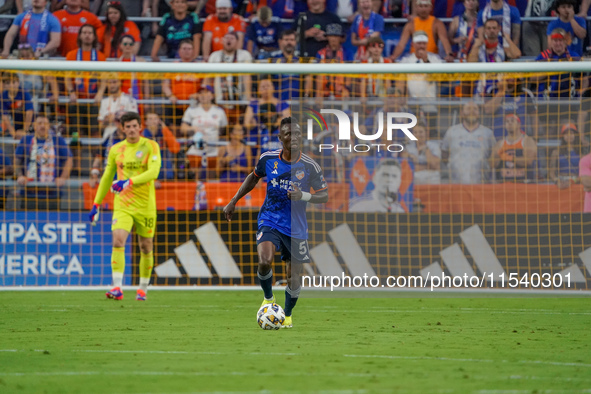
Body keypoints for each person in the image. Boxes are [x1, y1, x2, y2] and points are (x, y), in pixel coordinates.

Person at [223, 117, 329, 328]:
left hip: (296, 227)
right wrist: (234, 201)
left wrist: (303, 196)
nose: (294, 137)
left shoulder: (310, 166)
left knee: (294, 277)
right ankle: (269, 299)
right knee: (264, 260)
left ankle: (287, 315)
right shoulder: (268, 159)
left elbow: (324, 195)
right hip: (270, 218)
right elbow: (253, 177)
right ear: (281, 138)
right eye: (289, 133)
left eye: (298, 133)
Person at [89, 111, 162, 301]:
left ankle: (143, 288)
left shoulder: (150, 146)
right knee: (118, 239)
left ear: (140, 127)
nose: (131, 130)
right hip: (122, 204)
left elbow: (153, 172)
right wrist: (96, 203)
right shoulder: (116, 150)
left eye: (134, 126)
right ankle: (117, 287)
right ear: (122, 129)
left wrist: (128, 182)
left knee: (146, 247)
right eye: (127, 126)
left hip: (146, 204)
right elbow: (107, 176)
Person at [14, 115, 73, 208]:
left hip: (52, 191)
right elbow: (17, 160)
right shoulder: (26, 140)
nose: (42, 126)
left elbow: (68, 160)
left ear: (49, 126)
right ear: (34, 126)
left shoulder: (58, 140)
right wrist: (20, 176)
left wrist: (63, 177)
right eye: (39, 123)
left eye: (45, 123)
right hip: (29, 192)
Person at [64, 23, 105, 137]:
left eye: (90, 33)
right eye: (84, 33)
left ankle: (96, 155)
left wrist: (100, 93)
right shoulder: (71, 55)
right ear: (80, 36)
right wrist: (71, 92)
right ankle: (76, 155)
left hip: (94, 100)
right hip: (77, 100)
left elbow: (104, 78)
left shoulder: (100, 56)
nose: (87, 35)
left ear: (94, 36)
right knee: (76, 133)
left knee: (95, 132)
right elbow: (67, 78)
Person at [441, 102, 496, 184]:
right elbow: (444, 154)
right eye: (468, 109)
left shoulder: (488, 133)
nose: (472, 111)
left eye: (475, 109)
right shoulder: (452, 132)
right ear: (462, 113)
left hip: (481, 185)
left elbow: (494, 157)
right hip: (456, 185)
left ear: (479, 113)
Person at [243, 77, 289, 154]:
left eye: (268, 86)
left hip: (275, 140)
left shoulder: (282, 104)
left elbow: (287, 123)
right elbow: (247, 123)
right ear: (259, 90)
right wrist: (253, 124)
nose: (266, 88)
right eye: (263, 87)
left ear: (273, 88)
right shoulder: (253, 104)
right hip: (256, 138)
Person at [162, 39, 201, 130]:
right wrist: (170, 95)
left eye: (189, 49)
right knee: (174, 128)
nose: (186, 51)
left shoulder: (199, 67)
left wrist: (199, 95)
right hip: (175, 104)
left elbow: (205, 85)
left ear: (193, 51)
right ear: (179, 51)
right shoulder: (173, 66)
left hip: (194, 105)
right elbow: (165, 85)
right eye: (184, 49)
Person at [180, 85, 228, 156]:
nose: (203, 95)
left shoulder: (219, 111)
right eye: (200, 93)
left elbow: (224, 131)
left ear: (212, 96)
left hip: (214, 151)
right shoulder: (191, 110)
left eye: (206, 92)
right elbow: (182, 128)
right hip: (195, 150)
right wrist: (193, 129)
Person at [207, 31, 253, 103]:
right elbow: (208, 77)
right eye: (226, 38)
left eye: (232, 38)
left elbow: (247, 77)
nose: (229, 40)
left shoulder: (244, 55)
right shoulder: (214, 56)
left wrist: (248, 96)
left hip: (240, 99)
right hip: (220, 99)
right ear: (222, 41)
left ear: (237, 41)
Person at [535, 28, 580, 99]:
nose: (558, 43)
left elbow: (584, 78)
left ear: (565, 41)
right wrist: (551, 71)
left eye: (560, 40)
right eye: (555, 40)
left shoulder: (574, 56)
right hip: (545, 100)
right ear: (551, 41)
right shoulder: (543, 56)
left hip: (570, 99)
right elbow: (532, 78)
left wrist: (581, 93)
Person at [492, 114, 538, 182]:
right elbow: (492, 164)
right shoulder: (500, 143)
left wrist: (510, 158)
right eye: (507, 121)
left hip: (524, 185)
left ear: (519, 124)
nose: (509, 123)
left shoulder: (527, 141)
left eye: (512, 121)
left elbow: (528, 161)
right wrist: (498, 156)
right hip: (504, 186)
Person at [143, 112, 180, 180]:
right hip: (147, 166)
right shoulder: (142, 136)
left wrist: (165, 129)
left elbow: (175, 149)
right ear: (146, 122)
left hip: (164, 167)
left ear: (159, 121)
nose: (153, 121)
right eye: (150, 119)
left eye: (155, 119)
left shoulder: (164, 133)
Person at [549, 122, 582, 188]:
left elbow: (583, 173)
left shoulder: (581, 153)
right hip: (560, 183)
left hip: (575, 183)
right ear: (562, 136)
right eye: (566, 133)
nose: (569, 136)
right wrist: (557, 181)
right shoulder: (555, 152)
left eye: (571, 133)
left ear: (575, 135)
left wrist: (572, 181)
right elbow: (551, 173)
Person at [1, 72, 34, 139]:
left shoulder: (24, 93)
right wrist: (12, 132)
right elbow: (5, 116)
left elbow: (29, 113)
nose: (11, 85)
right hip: (15, 123)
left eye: (13, 82)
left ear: (18, 82)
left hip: (30, 123)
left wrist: (25, 130)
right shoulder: (3, 96)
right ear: (4, 85)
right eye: (8, 83)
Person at [359, 36, 392, 100]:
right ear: (369, 48)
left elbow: (388, 81)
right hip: (369, 96)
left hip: (382, 97)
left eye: (380, 46)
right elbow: (363, 81)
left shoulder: (387, 62)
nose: (377, 48)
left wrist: (388, 98)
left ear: (382, 49)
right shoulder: (364, 63)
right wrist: (363, 97)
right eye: (373, 46)